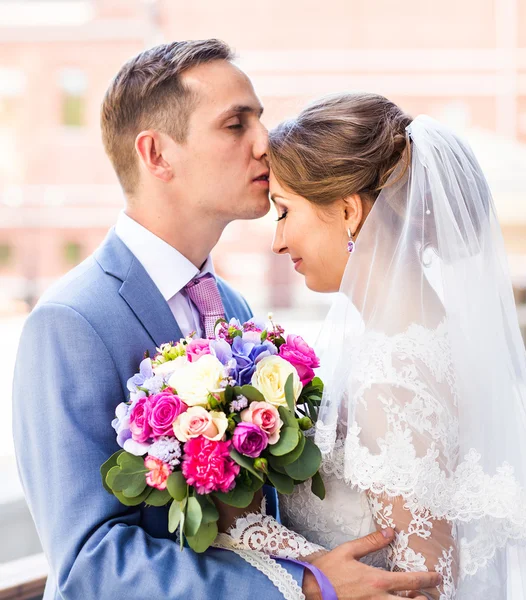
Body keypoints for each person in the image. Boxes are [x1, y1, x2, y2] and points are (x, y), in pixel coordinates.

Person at [11, 41, 441, 600]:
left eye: (259, 119)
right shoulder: (71, 324)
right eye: (236, 124)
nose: (265, 143)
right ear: (158, 155)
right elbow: (88, 566)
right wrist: (304, 586)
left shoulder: (234, 313)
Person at [222, 93, 526, 599]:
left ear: (349, 211)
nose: (277, 241)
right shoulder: (418, 335)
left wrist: (247, 532)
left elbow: (423, 583)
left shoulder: (393, 369)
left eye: (283, 212)